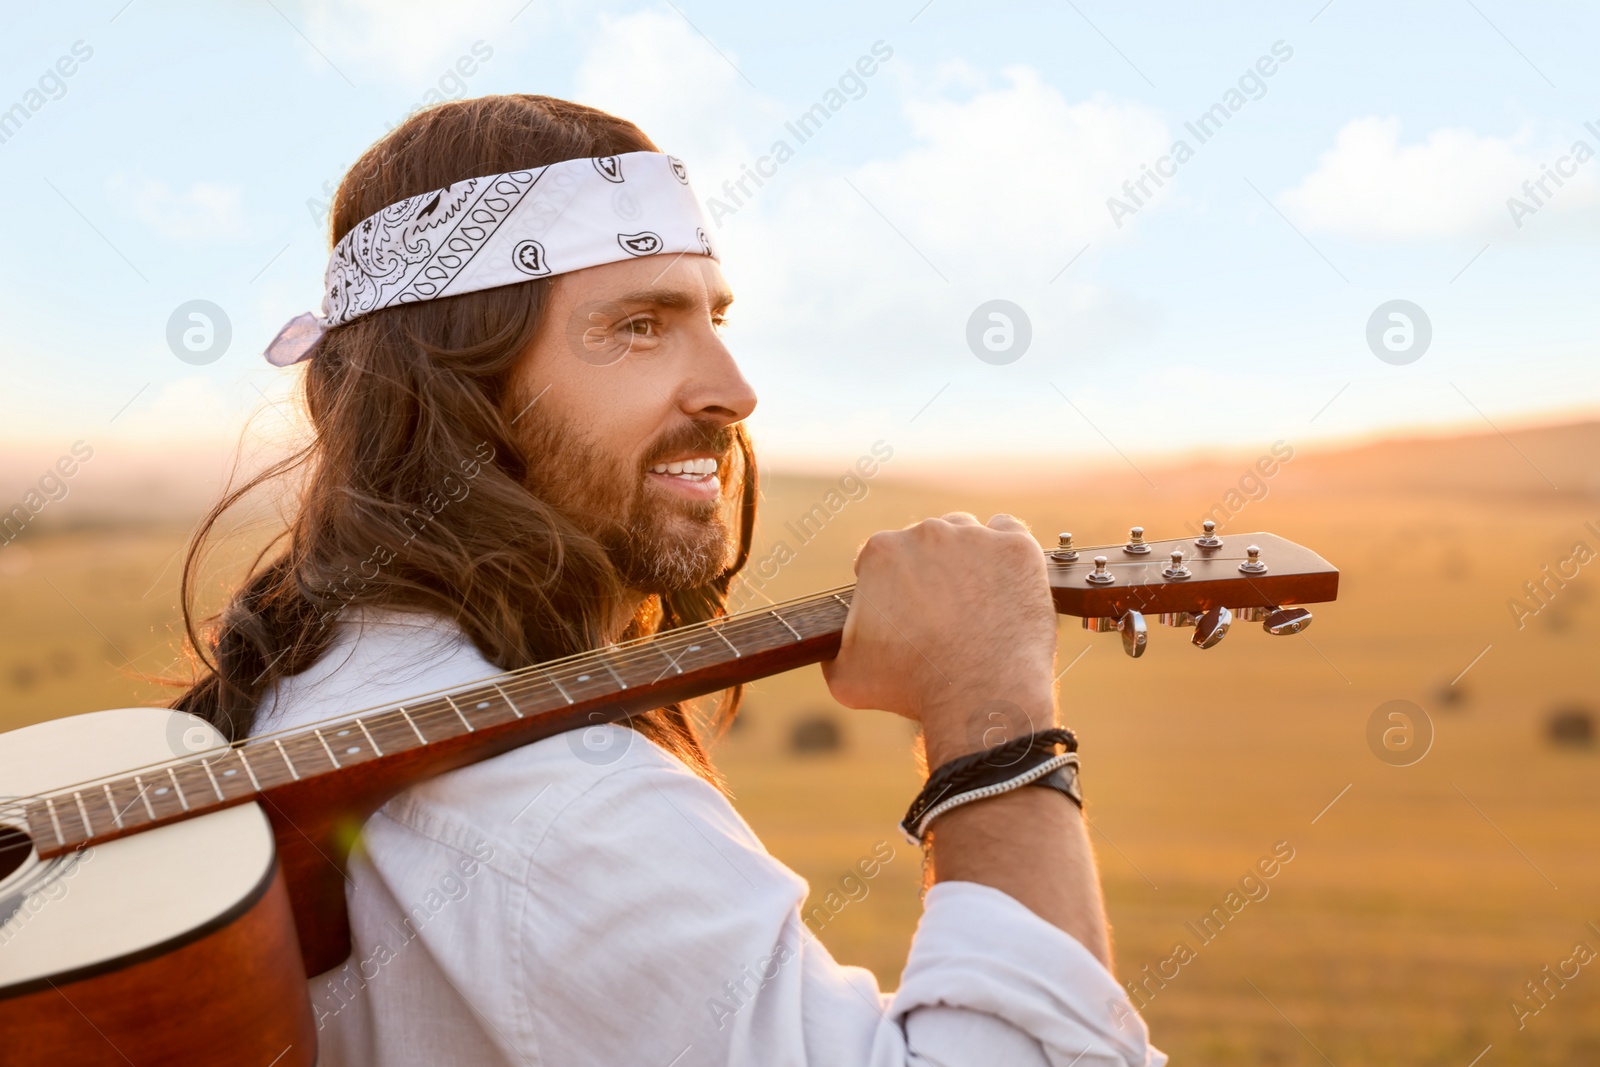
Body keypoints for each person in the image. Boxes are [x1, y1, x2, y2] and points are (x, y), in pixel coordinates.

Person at [176, 94, 1165, 1066]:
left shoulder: (348, 665)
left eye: (712, 315)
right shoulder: (551, 807)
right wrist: (993, 723)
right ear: (455, 386)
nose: (734, 389)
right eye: (639, 325)